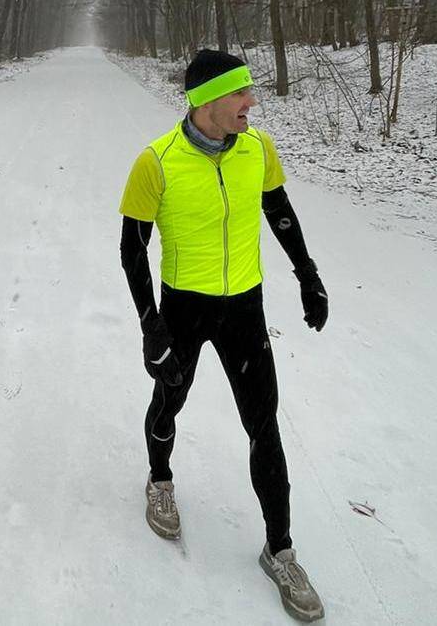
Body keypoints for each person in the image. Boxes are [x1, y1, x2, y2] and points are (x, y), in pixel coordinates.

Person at [118, 49, 328, 622]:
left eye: (250, 92)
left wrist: (307, 275)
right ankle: (159, 480)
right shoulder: (155, 162)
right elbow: (131, 250)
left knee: (265, 424)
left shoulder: (257, 149)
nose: (251, 102)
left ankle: (279, 549)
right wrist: (150, 327)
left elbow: (279, 211)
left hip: (245, 310)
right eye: (240, 93)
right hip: (183, 309)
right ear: (205, 100)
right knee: (169, 403)